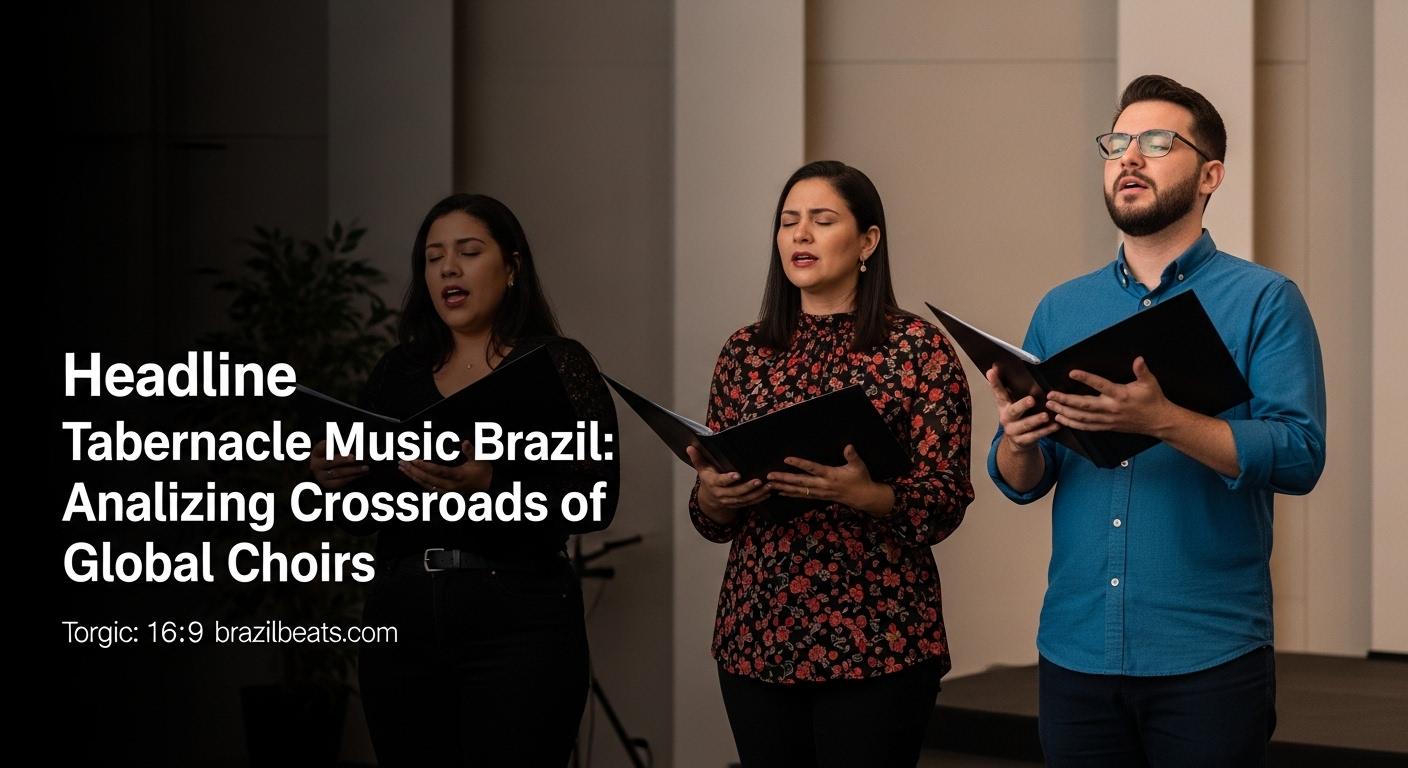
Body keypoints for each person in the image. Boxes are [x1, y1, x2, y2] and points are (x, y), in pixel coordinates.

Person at [986, 75, 1326, 767]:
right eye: (1117, 144)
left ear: (1211, 175)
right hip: (1075, 648)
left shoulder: (1264, 299)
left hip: (1208, 655)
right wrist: (1018, 440)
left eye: (1158, 143)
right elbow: (1021, 479)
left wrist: (1166, 420)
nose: (1130, 159)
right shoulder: (1061, 308)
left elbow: (1299, 454)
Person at [309, 193, 619, 766]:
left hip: (522, 618)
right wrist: (333, 481)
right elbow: (355, 519)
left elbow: (595, 498)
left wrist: (493, 481)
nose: (448, 268)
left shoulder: (558, 363)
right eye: (433, 258)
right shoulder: (397, 371)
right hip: (402, 616)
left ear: (512, 266)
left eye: (468, 252)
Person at [688, 160, 974, 767]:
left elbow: (946, 499)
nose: (800, 234)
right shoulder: (745, 352)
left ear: (867, 241)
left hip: (879, 637)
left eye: (821, 220)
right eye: (788, 221)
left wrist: (872, 496)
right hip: (757, 633)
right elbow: (711, 516)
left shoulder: (917, 349)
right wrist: (714, 499)